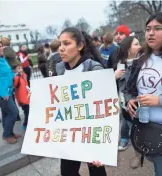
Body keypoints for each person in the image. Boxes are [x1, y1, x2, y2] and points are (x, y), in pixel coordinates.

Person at [125, 12, 162, 176]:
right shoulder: (141, 57)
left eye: (158, 28)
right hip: (146, 129)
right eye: (148, 29)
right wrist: (130, 100)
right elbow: (129, 89)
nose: (151, 33)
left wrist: (159, 100)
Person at [56, 27, 106, 176]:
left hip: (91, 131)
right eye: (60, 44)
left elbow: (105, 105)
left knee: (96, 170)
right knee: (67, 172)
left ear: (80, 46)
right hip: (70, 131)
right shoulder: (59, 69)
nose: (61, 49)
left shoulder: (93, 68)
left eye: (67, 43)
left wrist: (102, 144)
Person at [114, 36, 141, 169]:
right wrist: (114, 76)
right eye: (136, 44)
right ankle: (138, 155)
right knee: (133, 131)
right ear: (128, 49)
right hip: (125, 106)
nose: (140, 46)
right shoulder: (121, 64)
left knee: (143, 131)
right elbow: (120, 86)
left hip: (139, 104)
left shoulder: (143, 63)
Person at [13, 65, 31, 131]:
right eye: (18, 68)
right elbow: (15, 85)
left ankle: (27, 123)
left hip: (26, 97)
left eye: (21, 67)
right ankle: (25, 124)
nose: (20, 69)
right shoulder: (17, 77)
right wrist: (18, 76)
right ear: (15, 70)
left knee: (27, 111)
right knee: (27, 112)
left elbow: (26, 85)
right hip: (22, 99)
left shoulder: (24, 75)